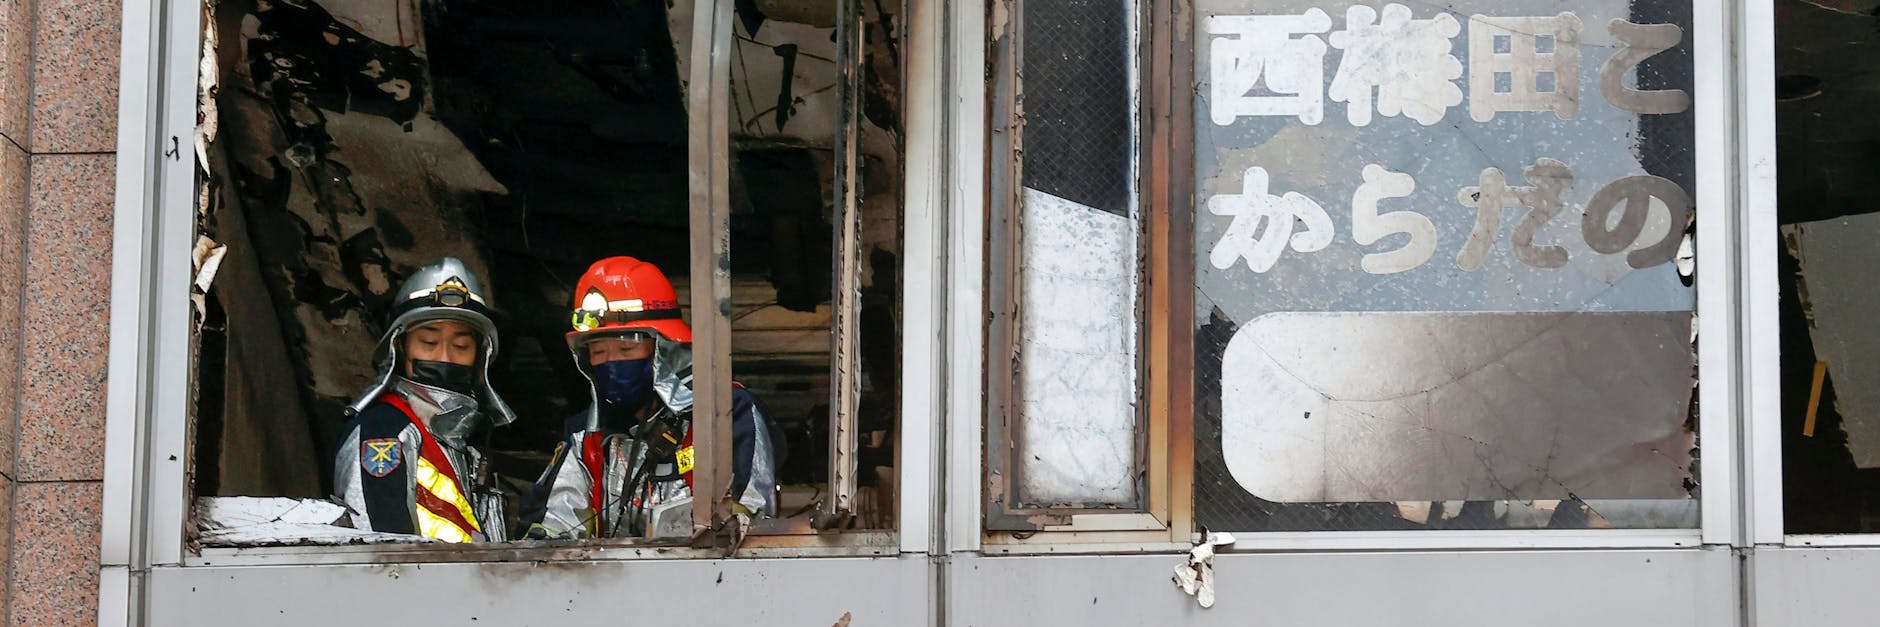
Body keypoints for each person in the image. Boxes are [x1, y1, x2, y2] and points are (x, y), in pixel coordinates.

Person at [525, 256, 785, 539]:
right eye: (599, 352)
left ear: (665, 350)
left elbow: (751, 519)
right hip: (609, 581)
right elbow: (552, 529)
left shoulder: (726, 413)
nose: (612, 363)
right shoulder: (586, 436)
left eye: (626, 350)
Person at [333, 257, 519, 542]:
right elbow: (382, 556)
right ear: (400, 347)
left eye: (461, 345)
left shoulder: (464, 441)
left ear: (480, 356)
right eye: (429, 343)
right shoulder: (383, 432)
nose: (445, 357)